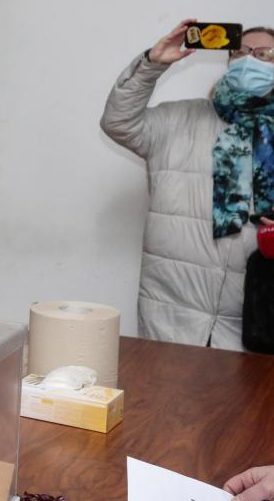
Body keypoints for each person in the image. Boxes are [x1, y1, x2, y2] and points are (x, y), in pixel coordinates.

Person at [101, 20, 274, 349]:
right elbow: (117, 122)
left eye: (265, 54)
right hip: (171, 317)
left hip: (251, 324)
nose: (251, 60)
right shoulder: (176, 120)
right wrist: (151, 64)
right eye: (241, 51)